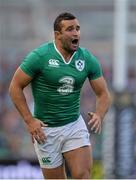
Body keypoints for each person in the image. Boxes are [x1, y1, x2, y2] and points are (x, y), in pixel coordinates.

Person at [9, 12, 111, 179]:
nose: (76, 33)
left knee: (82, 176)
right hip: (46, 130)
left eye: (77, 28)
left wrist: (100, 114)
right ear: (57, 35)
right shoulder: (40, 56)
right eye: (70, 29)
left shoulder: (86, 58)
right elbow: (15, 87)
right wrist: (29, 120)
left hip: (73, 125)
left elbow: (103, 93)